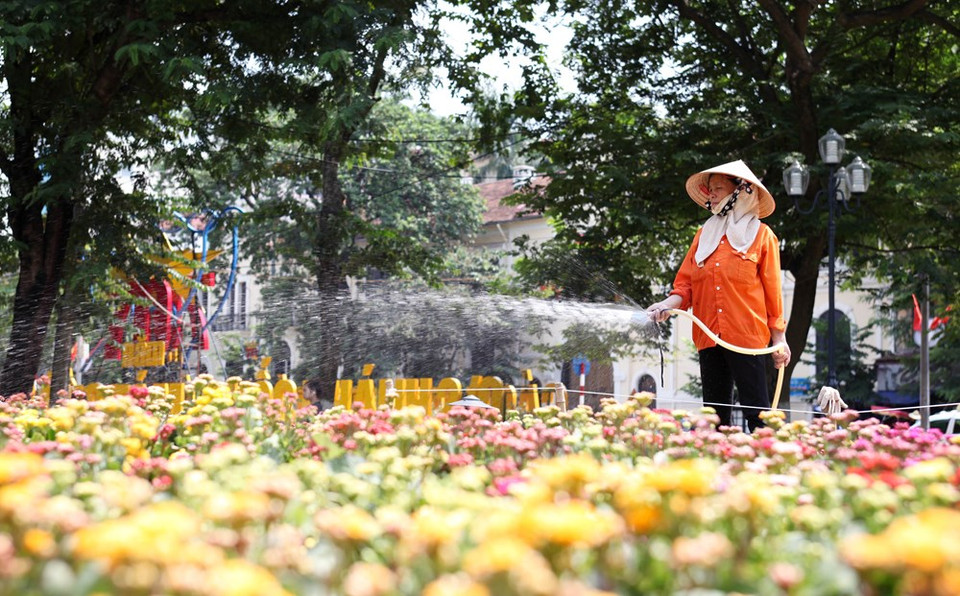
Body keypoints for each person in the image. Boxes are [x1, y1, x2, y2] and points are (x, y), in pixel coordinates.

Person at [646, 160, 791, 431]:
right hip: (708, 337)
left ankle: (766, 467)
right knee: (715, 420)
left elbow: (774, 292)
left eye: (717, 188)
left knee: (758, 418)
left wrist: (779, 339)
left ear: (742, 191)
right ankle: (719, 469)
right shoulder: (703, 236)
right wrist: (666, 305)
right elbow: (685, 286)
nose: (710, 194)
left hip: (747, 337)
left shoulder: (762, 236)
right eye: (709, 189)